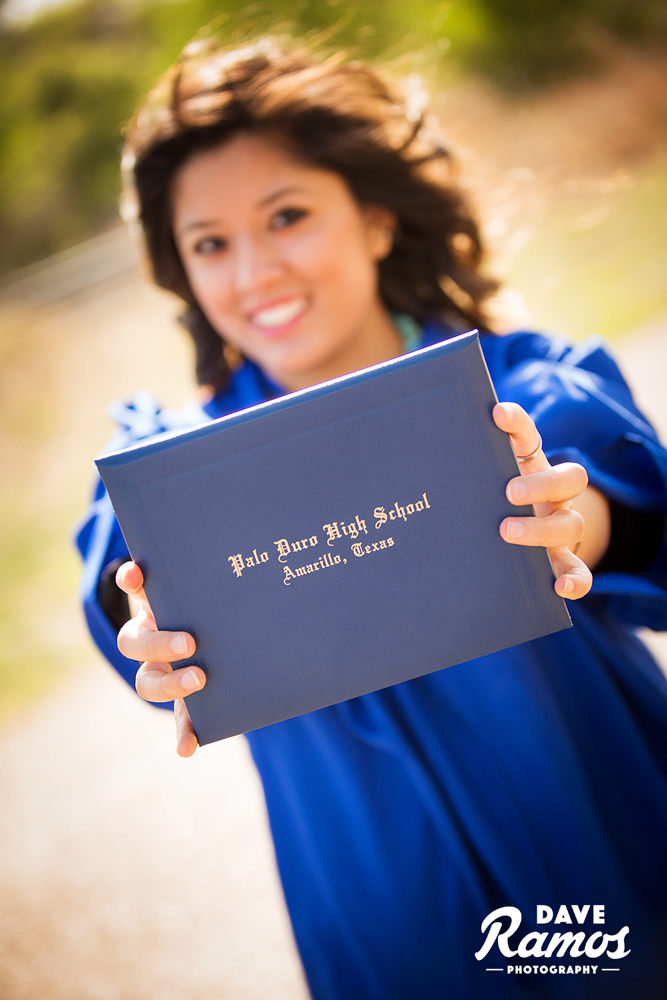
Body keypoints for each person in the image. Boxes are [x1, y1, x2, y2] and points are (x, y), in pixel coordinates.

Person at [75, 37, 667, 999]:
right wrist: (147, 622)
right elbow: (116, 581)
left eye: (287, 216)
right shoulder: (170, 477)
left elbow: (610, 494)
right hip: (390, 911)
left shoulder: (517, 392)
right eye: (210, 243)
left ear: (377, 219)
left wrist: (570, 524)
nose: (254, 271)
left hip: (605, 838)